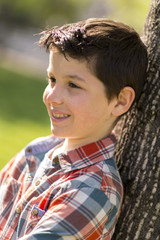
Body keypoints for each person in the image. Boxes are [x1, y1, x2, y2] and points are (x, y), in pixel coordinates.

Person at [0, 18, 148, 240]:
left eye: (73, 85)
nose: (51, 96)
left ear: (120, 101)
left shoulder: (94, 189)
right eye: (52, 79)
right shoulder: (36, 152)